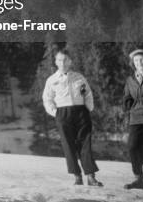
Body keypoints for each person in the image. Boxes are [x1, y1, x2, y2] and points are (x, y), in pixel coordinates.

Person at [42, 49, 102, 187]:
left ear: (70, 61)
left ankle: (91, 177)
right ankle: (77, 176)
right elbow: (47, 99)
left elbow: (88, 94)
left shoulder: (79, 77)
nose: (62, 63)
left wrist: (88, 108)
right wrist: (55, 112)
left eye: (65, 60)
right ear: (56, 62)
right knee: (69, 146)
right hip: (63, 114)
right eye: (59, 60)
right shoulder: (52, 80)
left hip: (81, 112)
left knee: (85, 144)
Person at [123, 48, 143, 190]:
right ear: (133, 63)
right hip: (136, 118)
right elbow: (127, 97)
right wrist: (128, 108)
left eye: (141, 59)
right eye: (136, 61)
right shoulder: (130, 80)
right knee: (133, 147)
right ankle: (138, 179)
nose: (139, 63)